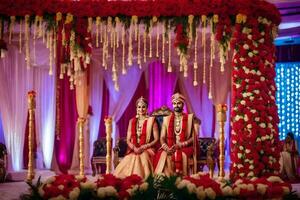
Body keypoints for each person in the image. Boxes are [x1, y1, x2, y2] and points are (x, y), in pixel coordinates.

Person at [114, 97, 159, 179]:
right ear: (136, 108)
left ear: (147, 108)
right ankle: (129, 180)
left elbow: (156, 139)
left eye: (143, 107)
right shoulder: (132, 121)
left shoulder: (152, 121)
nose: (141, 109)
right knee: (129, 158)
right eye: (139, 107)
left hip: (147, 148)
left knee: (143, 157)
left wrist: (145, 146)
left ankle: (141, 180)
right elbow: (128, 139)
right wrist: (134, 148)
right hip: (134, 149)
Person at [154, 93, 197, 176]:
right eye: (174, 103)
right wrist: (166, 147)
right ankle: (167, 180)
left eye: (179, 103)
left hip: (184, 147)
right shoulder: (167, 119)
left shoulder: (189, 118)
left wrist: (181, 144)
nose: (176, 105)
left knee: (180, 155)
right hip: (169, 146)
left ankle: (182, 180)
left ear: (183, 104)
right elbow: (162, 137)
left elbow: (193, 137)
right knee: (163, 156)